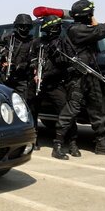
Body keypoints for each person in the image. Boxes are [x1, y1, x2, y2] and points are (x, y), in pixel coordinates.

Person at [54, 0, 105, 158]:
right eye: (90, 13)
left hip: (91, 76)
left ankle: (101, 144)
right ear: (86, 14)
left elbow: (97, 29)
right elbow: (100, 31)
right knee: (71, 110)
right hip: (77, 77)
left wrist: (93, 18)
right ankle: (58, 144)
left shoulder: (84, 29)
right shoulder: (76, 30)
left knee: (98, 110)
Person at [30, 14, 80, 156]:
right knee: (32, 111)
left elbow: (64, 64)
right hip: (38, 82)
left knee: (66, 112)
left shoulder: (62, 43)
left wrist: (46, 75)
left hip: (55, 83)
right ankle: (34, 140)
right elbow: (32, 59)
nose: (59, 29)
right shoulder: (38, 42)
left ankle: (72, 143)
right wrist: (34, 69)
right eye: (56, 27)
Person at [0, 14, 36, 125]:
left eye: (27, 27)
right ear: (17, 26)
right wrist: (3, 50)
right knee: (2, 103)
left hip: (22, 79)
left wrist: (20, 66)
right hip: (6, 76)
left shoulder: (33, 41)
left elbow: (34, 60)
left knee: (23, 105)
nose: (24, 29)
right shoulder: (8, 37)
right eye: (22, 26)